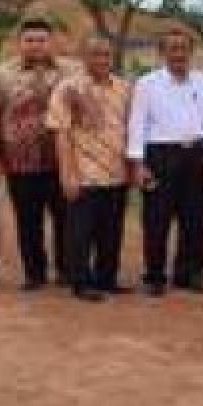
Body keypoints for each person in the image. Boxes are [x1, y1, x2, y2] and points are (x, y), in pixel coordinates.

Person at [0, 19, 78, 291]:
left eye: (41, 39)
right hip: (19, 162)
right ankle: (34, 273)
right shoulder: (2, 74)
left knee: (66, 218)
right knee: (27, 220)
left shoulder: (72, 70)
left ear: (52, 42)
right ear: (19, 42)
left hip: (63, 160)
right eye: (30, 40)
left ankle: (67, 269)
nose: (36, 45)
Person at [127, 27, 203, 296]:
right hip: (160, 156)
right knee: (156, 219)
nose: (178, 53)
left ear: (191, 52)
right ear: (162, 52)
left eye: (183, 48)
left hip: (195, 155)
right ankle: (155, 276)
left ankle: (190, 272)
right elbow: (138, 123)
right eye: (172, 48)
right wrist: (138, 163)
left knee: (195, 217)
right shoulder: (147, 83)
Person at [46, 36, 132, 301]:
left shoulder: (124, 88)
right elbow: (61, 133)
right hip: (83, 172)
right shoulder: (68, 89)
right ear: (83, 57)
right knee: (81, 231)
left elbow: (132, 128)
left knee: (112, 229)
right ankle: (81, 282)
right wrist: (67, 173)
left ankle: (107, 278)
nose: (102, 60)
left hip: (117, 172)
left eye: (106, 55)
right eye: (95, 55)